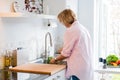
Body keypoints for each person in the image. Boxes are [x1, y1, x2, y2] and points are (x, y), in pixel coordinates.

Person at [50, 9, 93, 80]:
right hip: (87, 66)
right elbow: (78, 46)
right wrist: (63, 49)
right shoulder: (83, 28)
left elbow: (65, 54)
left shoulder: (71, 30)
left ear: (65, 20)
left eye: (61, 21)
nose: (62, 24)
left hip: (78, 68)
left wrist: (55, 59)